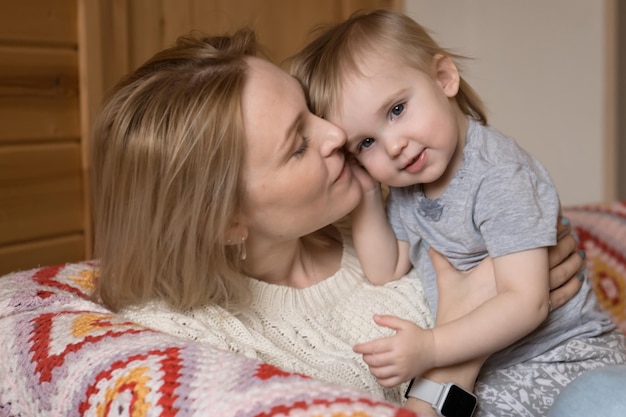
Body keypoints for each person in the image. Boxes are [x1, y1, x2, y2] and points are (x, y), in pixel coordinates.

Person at [90, 27, 585, 416]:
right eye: (299, 144)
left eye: (309, 109)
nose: (336, 133)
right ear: (226, 221)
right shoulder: (194, 344)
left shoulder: (400, 197)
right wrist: (456, 363)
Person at [288, 8, 626, 416]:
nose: (393, 145)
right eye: (366, 143)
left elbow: (527, 302)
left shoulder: (498, 174)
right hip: (503, 370)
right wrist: (366, 195)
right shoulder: (410, 188)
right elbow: (385, 267)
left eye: (396, 110)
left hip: (566, 357)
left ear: (444, 78)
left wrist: (431, 346)